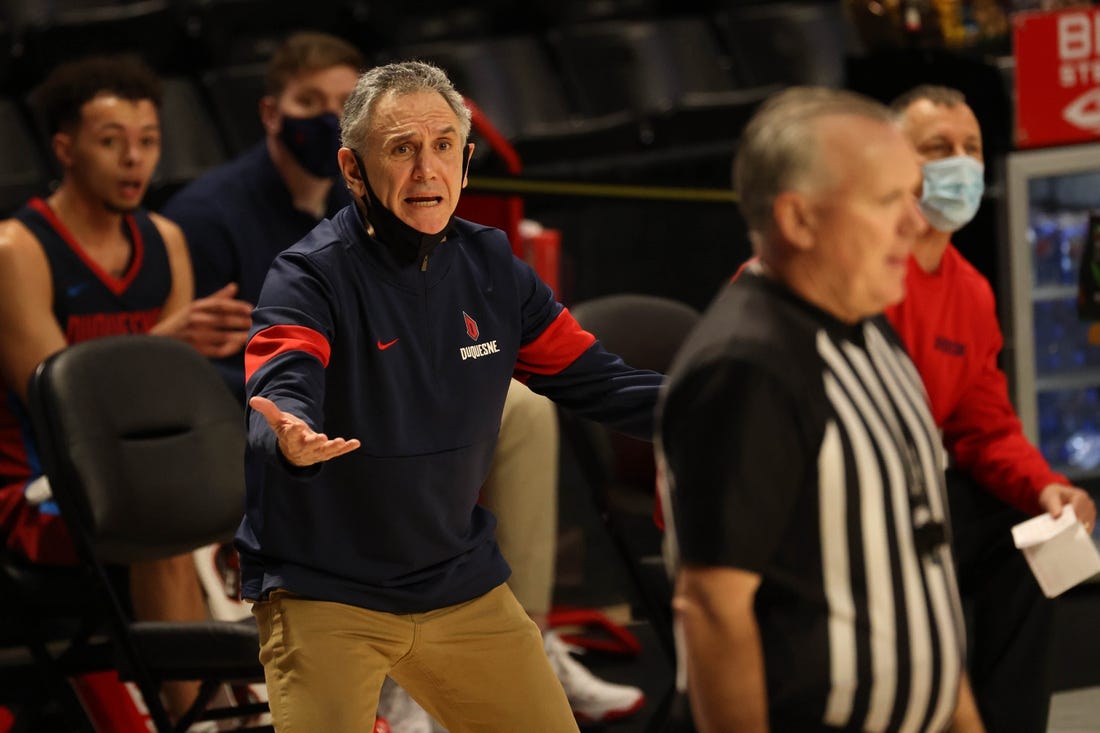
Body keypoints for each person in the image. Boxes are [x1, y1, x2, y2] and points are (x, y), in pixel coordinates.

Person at [164, 34, 644, 730]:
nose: (427, 169)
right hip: (328, 591)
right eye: (400, 149)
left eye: (443, 145)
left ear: (466, 162)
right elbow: (284, 368)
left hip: (459, 582)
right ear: (352, 169)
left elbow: (596, 378)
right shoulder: (307, 273)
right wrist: (289, 431)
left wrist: (704, 411)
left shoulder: (492, 266)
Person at [657, 86, 983, 732]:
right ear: (798, 220)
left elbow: (921, 563)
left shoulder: (866, 325)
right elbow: (713, 607)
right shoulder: (748, 365)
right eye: (889, 201)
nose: (917, 223)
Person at [0, 54, 252, 723]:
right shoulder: (16, 250)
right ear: (65, 149)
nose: (133, 159)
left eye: (147, 142)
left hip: (146, 476)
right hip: (37, 489)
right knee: (165, 521)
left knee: (305, 486)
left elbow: (173, 408)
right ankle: (200, 717)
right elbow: (59, 415)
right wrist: (164, 349)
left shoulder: (164, 239)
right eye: (111, 142)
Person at [889, 84, 1098, 733]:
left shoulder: (969, 290)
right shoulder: (849, 266)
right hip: (849, 500)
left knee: (1025, 537)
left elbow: (985, 425)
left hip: (920, 492)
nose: (961, 164)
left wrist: (1047, 487)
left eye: (971, 149)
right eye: (938, 148)